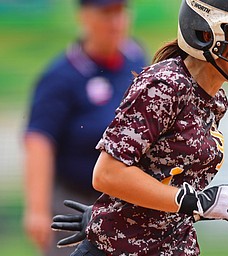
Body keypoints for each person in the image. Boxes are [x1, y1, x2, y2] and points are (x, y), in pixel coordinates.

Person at [51, 0, 228, 255]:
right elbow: (108, 174)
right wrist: (196, 202)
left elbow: (164, 180)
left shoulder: (215, 99)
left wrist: (200, 205)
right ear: (206, 33)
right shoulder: (165, 86)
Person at [23, 0, 147, 255]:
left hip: (124, 202)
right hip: (73, 202)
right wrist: (37, 208)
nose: (115, 22)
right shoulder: (61, 75)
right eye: (105, 13)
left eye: (120, 12)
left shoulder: (137, 60)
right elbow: (39, 140)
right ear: (84, 17)